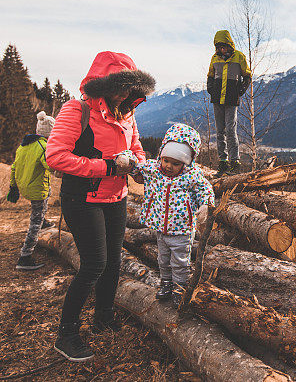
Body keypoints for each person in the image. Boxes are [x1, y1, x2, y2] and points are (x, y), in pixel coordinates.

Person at [46, 51, 154, 362]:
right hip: (82, 198)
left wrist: (138, 166)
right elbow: (55, 156)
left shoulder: (127, 113)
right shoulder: (76, 110)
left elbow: (136, 147)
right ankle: (66, 334)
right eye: (118, 87)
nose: (123, 94)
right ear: (101, 83)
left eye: (128, 88)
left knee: (113, 261)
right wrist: (105, 167)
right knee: (94, 263)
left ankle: (103, 317)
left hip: (116, 197)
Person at [134, 123, 214, 308]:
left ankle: (180, 287)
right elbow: (136, 167)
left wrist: (205, 205)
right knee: (163, 259)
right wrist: (126, 161)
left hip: (182, 229)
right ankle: (166, 283)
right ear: (161, 155)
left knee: (180, 261)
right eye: (166, 160)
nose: (169, 166)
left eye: (176, 163)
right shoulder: (155, 169)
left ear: (186, 162)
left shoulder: (191, 176)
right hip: (161, 228)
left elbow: (205, 189)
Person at [8, 111, 56, 271]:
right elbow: (50, 166)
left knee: (42, 204)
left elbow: (14, 166)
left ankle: (43, 220)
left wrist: (13, 186)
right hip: (36, 190)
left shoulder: (24, 146)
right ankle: (25, 256)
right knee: (35, 222)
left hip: (25, 186)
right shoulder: (44, 147)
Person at [206, 30, 252, 176]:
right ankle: (223, 163)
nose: (221, 49)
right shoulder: (214, 58)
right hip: (217, 99)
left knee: (231, 131)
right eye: (218, 47)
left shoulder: (239, 57)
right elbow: (210, 76)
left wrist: (241, 90)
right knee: (220, 132)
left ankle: (235, 163)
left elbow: (247, 76)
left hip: (232, 99)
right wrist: (211, 89)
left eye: (223, 46)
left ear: (229, 44)